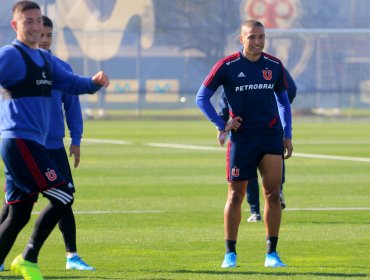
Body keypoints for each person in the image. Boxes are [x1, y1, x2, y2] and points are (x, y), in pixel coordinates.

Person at [0, 1, 109, 279]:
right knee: (63, 194)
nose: (35, 27)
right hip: (19, 141)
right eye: (28, 21)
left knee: (19, 213)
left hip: (35, 143)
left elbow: (72, 84)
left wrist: (94, 83)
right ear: (15, 25)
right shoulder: (10, 56)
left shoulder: (46, 60)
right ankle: (28, 258)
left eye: (38, 21)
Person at [196, 20, 293, 268]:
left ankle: (271, 254)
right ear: (241, 39)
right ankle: (230, 254)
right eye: (252, 37)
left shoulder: (273, 65)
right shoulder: (227, 66)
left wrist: (287, 134)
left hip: (270, 137)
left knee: (272, 194)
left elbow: (283, 101)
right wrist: (221, 124)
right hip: (243, 140)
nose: (258, 42)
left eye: (261, 37)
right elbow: (202, 97)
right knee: (235, 195)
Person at [218, 68, 297, 222]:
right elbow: (291, 89)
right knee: (274, 155)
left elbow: (224, 94)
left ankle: (255, 210)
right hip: (270, 126)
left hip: (246, 129)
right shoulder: (269, 63)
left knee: (252, 166)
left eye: (260, 40)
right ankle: (276, 191)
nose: (257, 42)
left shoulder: (265, 64)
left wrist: (222, 122)